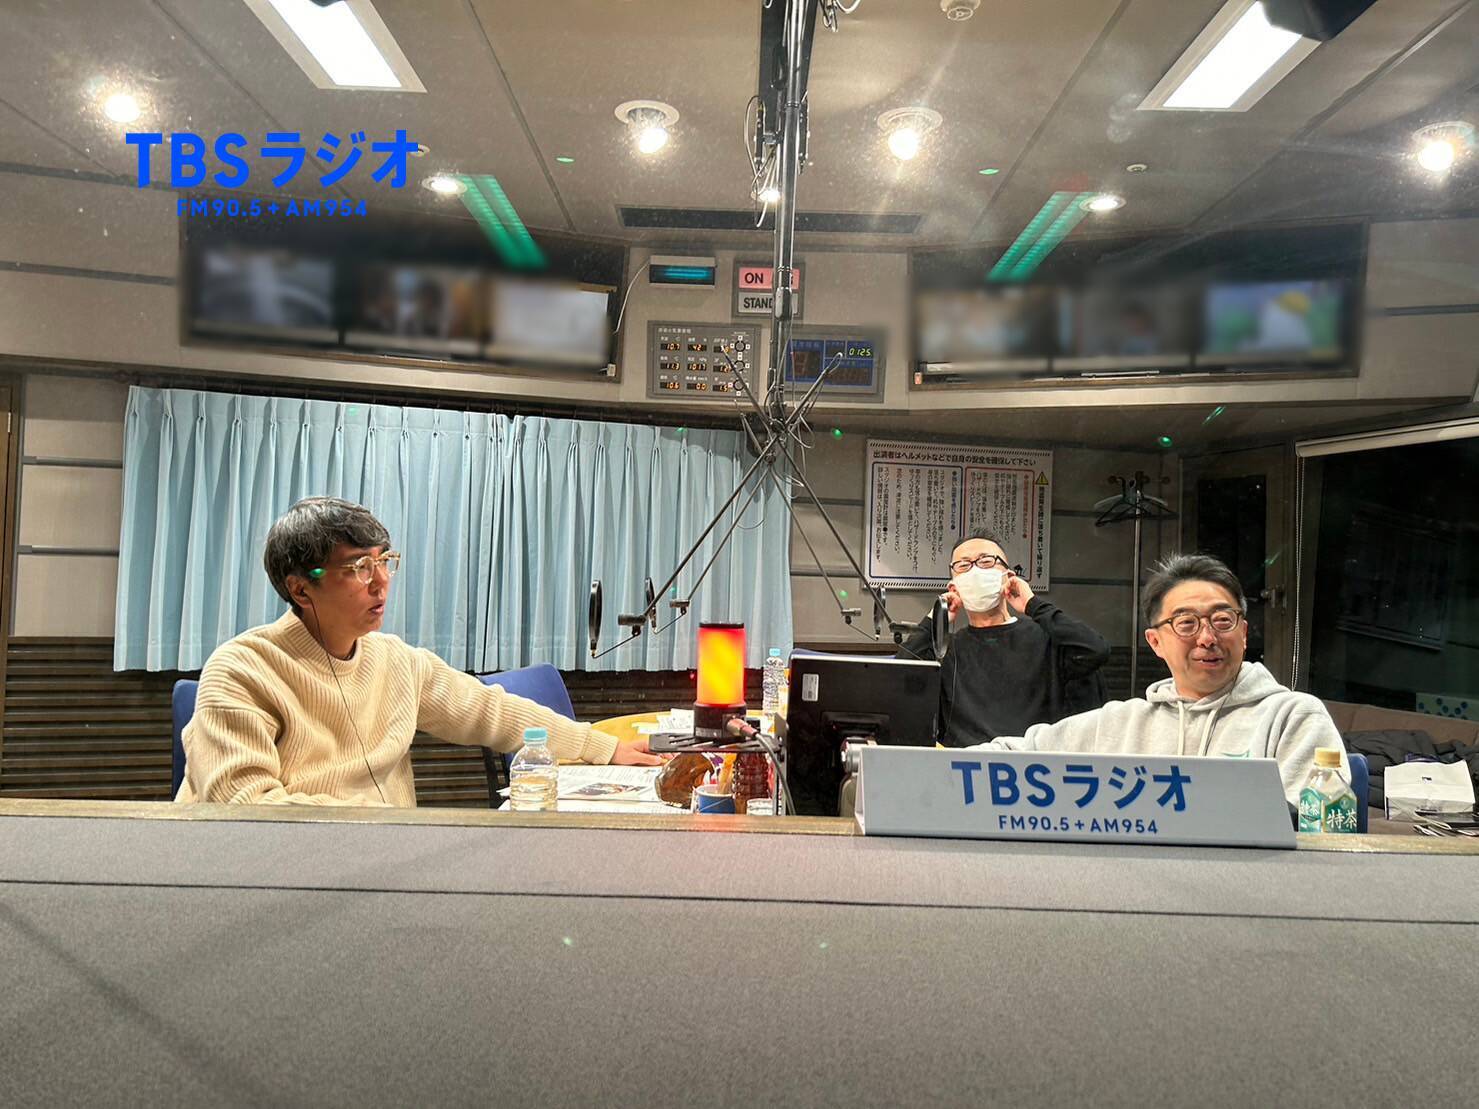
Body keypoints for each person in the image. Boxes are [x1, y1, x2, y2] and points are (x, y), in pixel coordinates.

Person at [177, 497, 660, 806]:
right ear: (301, 589)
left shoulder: (395, 661)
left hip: (385, 865)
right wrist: (394, 832)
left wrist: (605, 747)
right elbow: (247, 811)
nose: (381, 582)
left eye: (384, 561)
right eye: (359, 567)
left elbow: (491, 710)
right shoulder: (241, 672)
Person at [970, 553, 1344, 804]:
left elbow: (1312, 831)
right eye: (1186, 623)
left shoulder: (1292, 716)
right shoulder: (1119, 723)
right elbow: (1011, 755)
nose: (1207, 637)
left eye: (1222, 620)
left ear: (1244, 633)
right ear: (1156, 642)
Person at [898, 531, 1110, 746]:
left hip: (1032, 759)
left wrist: (1033, 605)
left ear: (1008, 577)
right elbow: (897, 681)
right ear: (954, 586)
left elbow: (1096, 650)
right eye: (963, 565)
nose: (975, 571)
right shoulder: (947, 650)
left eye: (986, 561)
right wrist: (935, 618)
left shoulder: (1047, 638)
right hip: (966, 762)